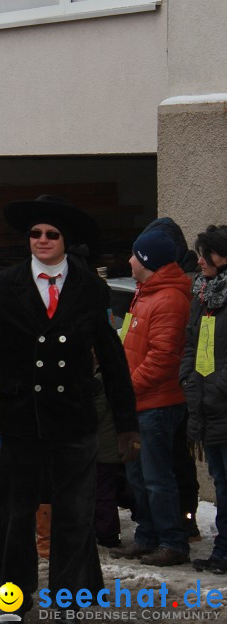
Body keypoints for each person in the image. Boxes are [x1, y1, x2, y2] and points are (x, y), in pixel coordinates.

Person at [0, 195, 138, 615]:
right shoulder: (5, 286)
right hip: (21, 420)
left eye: (51, 234)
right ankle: (15, 598)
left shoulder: (88, 288)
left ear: (64, 240)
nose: (42, 240)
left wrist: (127, 422)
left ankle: (69, 600)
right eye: (35, 233)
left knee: (75, 517)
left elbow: (112, 359)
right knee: (18, 515)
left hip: (75, 422)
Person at [112, 229, 193, 566]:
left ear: (147, 261)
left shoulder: (169, 300)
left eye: (134, 255)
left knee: (157, 477)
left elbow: (161, 360)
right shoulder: (145, 294)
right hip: (138, 404)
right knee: (138, 476)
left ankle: (172, 541)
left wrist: (126, 389)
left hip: (155, 405)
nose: (129, 261)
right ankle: (147, 535)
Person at [182, 225, 227, 575]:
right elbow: (191, 344)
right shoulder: (203, 293)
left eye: (205, 253)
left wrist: (216, 386)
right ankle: (223, 552)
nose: (198, 260)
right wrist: (190, 380)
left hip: (220, 401)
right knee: (220, 479)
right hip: (206, 405)